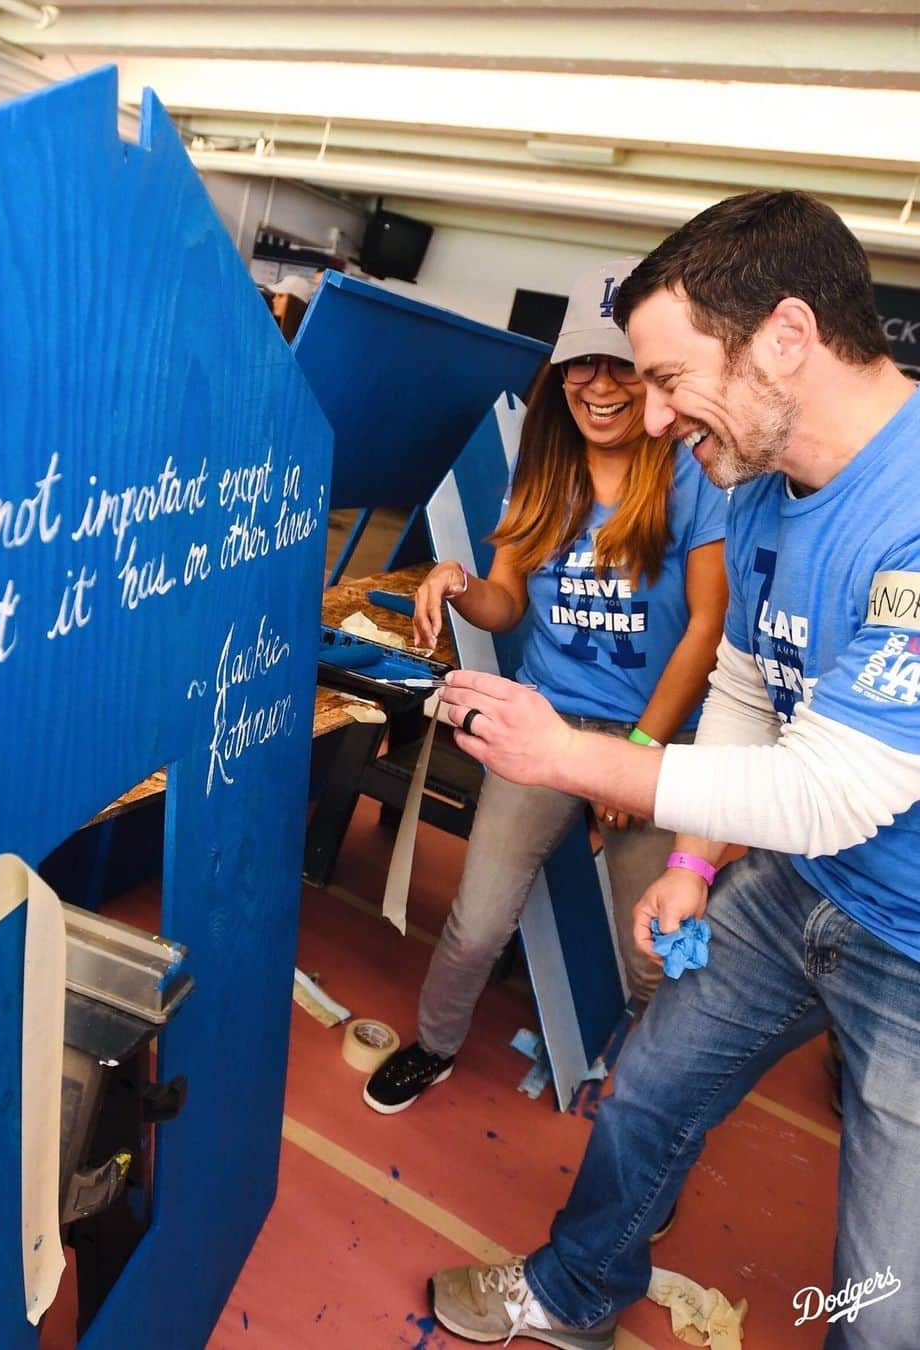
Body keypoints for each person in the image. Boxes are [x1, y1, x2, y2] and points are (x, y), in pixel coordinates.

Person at [430, 191, 920, 1349]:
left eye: (665, 377)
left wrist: (580, 756)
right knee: (645, 1093)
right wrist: (698, 863)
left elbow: (839, 784)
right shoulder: (758, 492)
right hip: (806, 886)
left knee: (886, 1298)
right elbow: (752, 686)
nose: (649, 417)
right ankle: (575, 1290)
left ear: (786, 338)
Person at [363, 258, 728, 1118]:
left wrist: (633, 761)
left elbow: (708, 632)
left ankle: (642, 1111)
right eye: (580, 364)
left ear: (654, 374)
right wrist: (456, 583)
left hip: (652, 736)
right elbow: (506, 601)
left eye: (620, 364)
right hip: (543, 720)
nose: (598, 384)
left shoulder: (691, 477)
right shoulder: (545, 469)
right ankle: (437, 1045)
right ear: (558, 372)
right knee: (478, 920)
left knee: (654, 953)